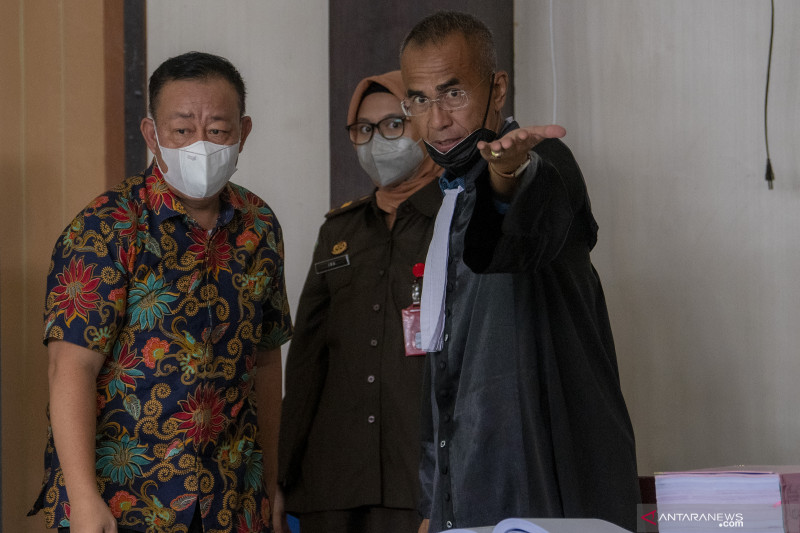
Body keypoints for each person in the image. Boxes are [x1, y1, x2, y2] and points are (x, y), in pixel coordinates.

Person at [28, 51, 293, 533]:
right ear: (152, 134)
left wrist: (270, 483)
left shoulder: (260, 227)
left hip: (233, 498)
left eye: (217, 130)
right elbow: (70, 369)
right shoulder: (106, 227)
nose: (201, 145)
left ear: (243, 133)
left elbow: (266, 362)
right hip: (126, 501)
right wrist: (85, 500)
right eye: (182, 129)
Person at [398, 11, 640, 533]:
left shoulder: (546, 162)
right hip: (464, 495)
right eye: (419, 99)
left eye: (453, 93)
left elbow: (507, 243)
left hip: (544, 496)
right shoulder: (444, 206)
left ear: (498, 88)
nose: (436, 120)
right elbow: (441, 371)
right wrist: (432, 500)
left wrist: (508, 176)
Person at [274, 70, 442, 533]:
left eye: (394, 124)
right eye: (363, 129)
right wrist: (281, 474)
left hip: (420, 480)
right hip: (333, 482)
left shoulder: (457, 219)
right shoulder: (339, 231)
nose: (377, 140)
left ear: (423, 123)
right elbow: (306, 362)